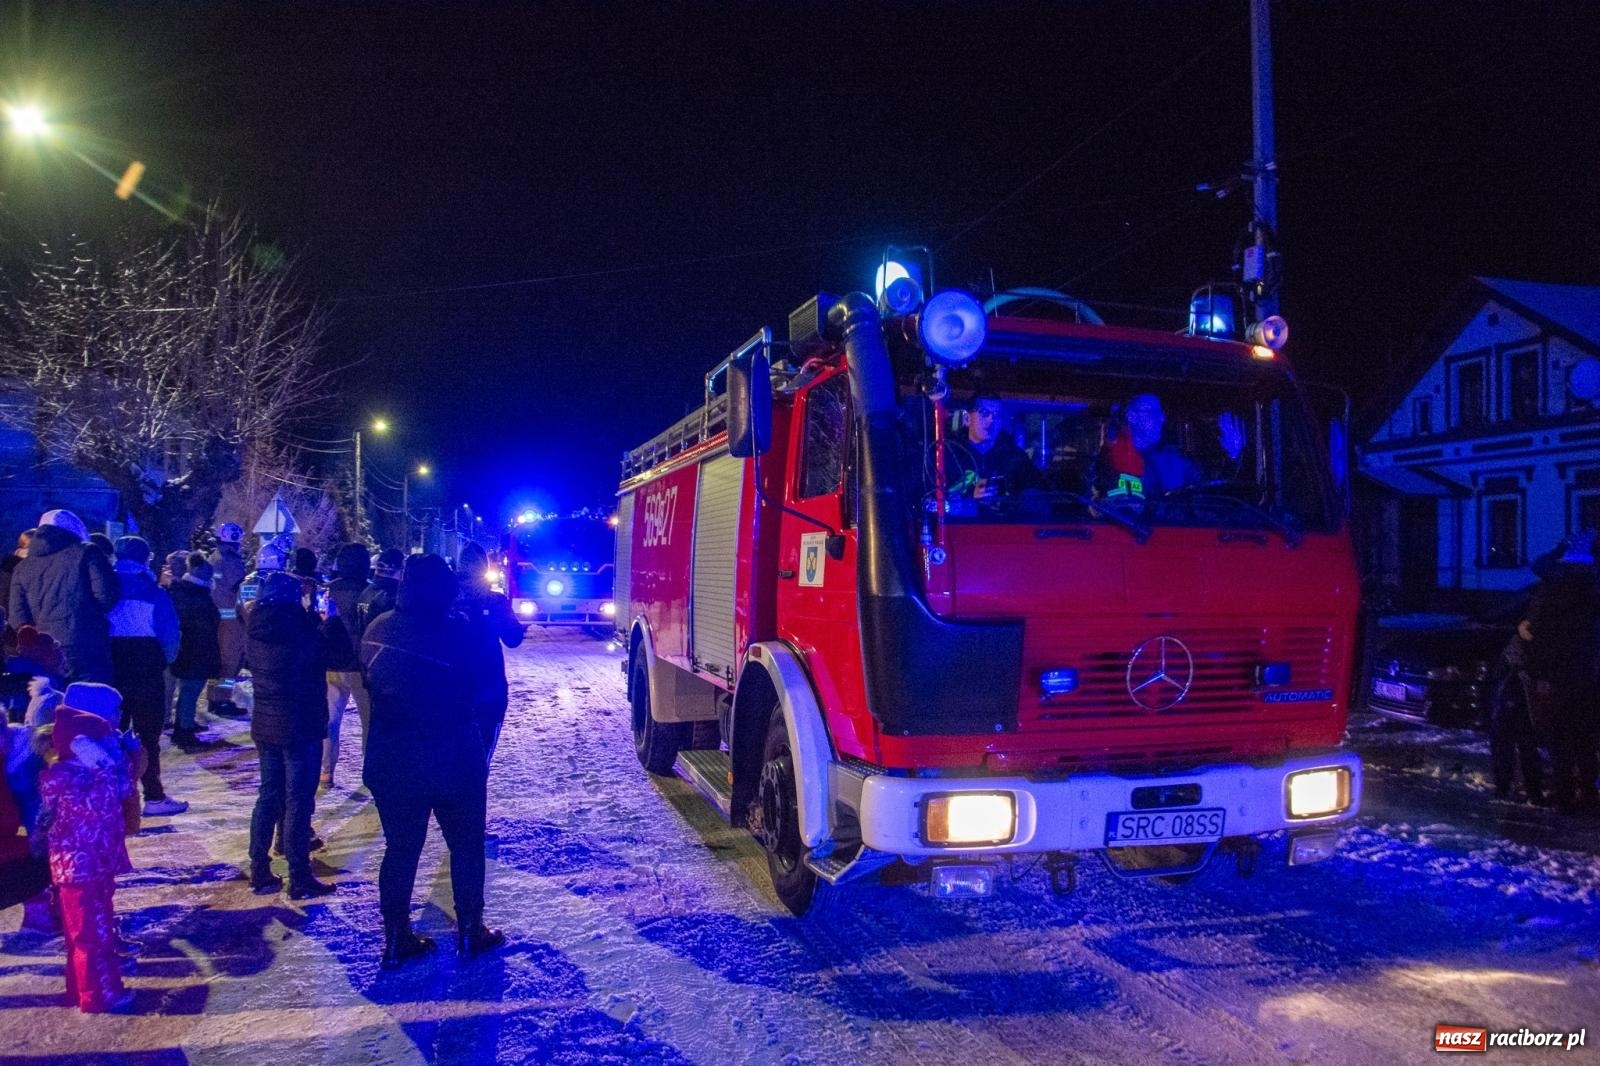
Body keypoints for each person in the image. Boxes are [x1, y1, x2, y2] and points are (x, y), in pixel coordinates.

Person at [361, 554, 503, 968]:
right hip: (454, 756)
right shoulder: (461, 632)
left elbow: (371, 681)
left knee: (400, 850)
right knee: (466, 847)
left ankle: (394, 939)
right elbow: (487, 690)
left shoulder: (377, 628)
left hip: (392, 758)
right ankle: (471, 930)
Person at [33, 702, 142, 1014]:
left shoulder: (86, 775)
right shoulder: (70, 777)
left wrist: (129, 757)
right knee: (91, 933)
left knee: (87, 931)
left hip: (92, 865)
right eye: (101, 742)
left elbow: (124, 790)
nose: (107, 748)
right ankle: (98, 995)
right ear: (83, 745)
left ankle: (80, 989)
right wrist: (105, 764)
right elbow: (104, 801)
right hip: (81, 868)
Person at [244, 571, 334, 899]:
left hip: (266, 723)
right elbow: (327, 654)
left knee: (269, 795)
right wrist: (325, 622)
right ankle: (299, 876)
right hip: (300, 724)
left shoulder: (254, 626)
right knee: (298, 800)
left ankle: (259, 868)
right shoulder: (300, 627)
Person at [107, 537, 186, 816]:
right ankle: (153, 795)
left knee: (111, 733)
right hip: (146, 667)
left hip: (112, 666)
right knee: (147, 735)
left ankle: (112, 796)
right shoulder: (154, 593)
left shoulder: (105, 588)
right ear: (145, 559)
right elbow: (170, 636)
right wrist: (164, 660)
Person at [1522, 534, 1600, 815]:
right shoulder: (1592, 588)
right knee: (1585, 740)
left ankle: (1565, 797)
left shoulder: (1551, 590)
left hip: (1555, 678)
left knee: (1560, 741)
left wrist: (1558, 549)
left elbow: (1539, 565)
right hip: (1586, 676)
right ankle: (1589, 794)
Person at [7, 510, 119, 684]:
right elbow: (107, 597)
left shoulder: (23, 567)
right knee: (89, 694)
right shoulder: (87, 552)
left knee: (53, 695)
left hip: (45, 648)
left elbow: (17, 617)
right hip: (86, 642)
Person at [1102, 393, 1245, 499]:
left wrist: (1232, 456)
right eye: (1154, 413)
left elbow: (1210, 490)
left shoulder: (1177, 460)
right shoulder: (1107, 457)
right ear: (1132, 416)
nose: (1161, 419)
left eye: (1161, 413)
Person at [456, 542, 525, 762]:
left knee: (454, 755)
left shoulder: (446, 599)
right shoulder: (496, 601)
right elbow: (513, 639)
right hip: (490, 687)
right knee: (482, 754)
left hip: (453, 687)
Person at [321, 544, 374, 788]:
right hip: (360, 667)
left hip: (331, 664)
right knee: (368, 723)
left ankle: (326, 772)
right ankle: (370, 772)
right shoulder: (369, 592)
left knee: (330, 721)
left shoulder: (328, 591)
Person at [169, 553, 222, 751]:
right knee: (190, 692)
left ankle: (184, 724)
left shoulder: (182, 592)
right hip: (195, 651)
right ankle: (184, 732)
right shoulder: (196, 596)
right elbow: (205, 623)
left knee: (188, 691)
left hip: (189, 649)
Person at [944, 395, 1038, 501]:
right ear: (967, 419)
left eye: (997, 415)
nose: (991, 420)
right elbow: (936, 497)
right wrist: (970, 496)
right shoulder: (948, 454)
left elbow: (1037, 494)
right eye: (984, 413)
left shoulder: (1017, 457)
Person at [1488, 632, 1544, 803]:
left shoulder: (1512, 652)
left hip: (1511, 708)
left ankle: (1505, 787)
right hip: (1517, 708)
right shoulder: (1530, 653)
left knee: (1510, 749)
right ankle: (1530, 791)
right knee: (1523, 749)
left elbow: (1497, 677)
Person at [208, 522, 249, 706]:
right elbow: (240, 589)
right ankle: (222, 699)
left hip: (216, 616)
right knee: (231, 662)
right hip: (231, 619)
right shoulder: (232, 561)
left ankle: (213, 696)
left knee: (218, 661)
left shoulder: (214, 557)